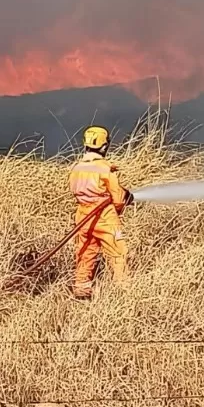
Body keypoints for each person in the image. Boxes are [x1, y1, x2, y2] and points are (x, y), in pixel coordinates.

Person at [67, 126, 134, 299]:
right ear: (105, 146)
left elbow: (75, 191)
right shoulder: (106, 169)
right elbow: (118, 199)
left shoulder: (77, 168)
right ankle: (123, 291)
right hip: (104, 216)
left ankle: (82, 291)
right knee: (118, 253)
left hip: (82, 216)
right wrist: (122, 203)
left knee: (85, 253)